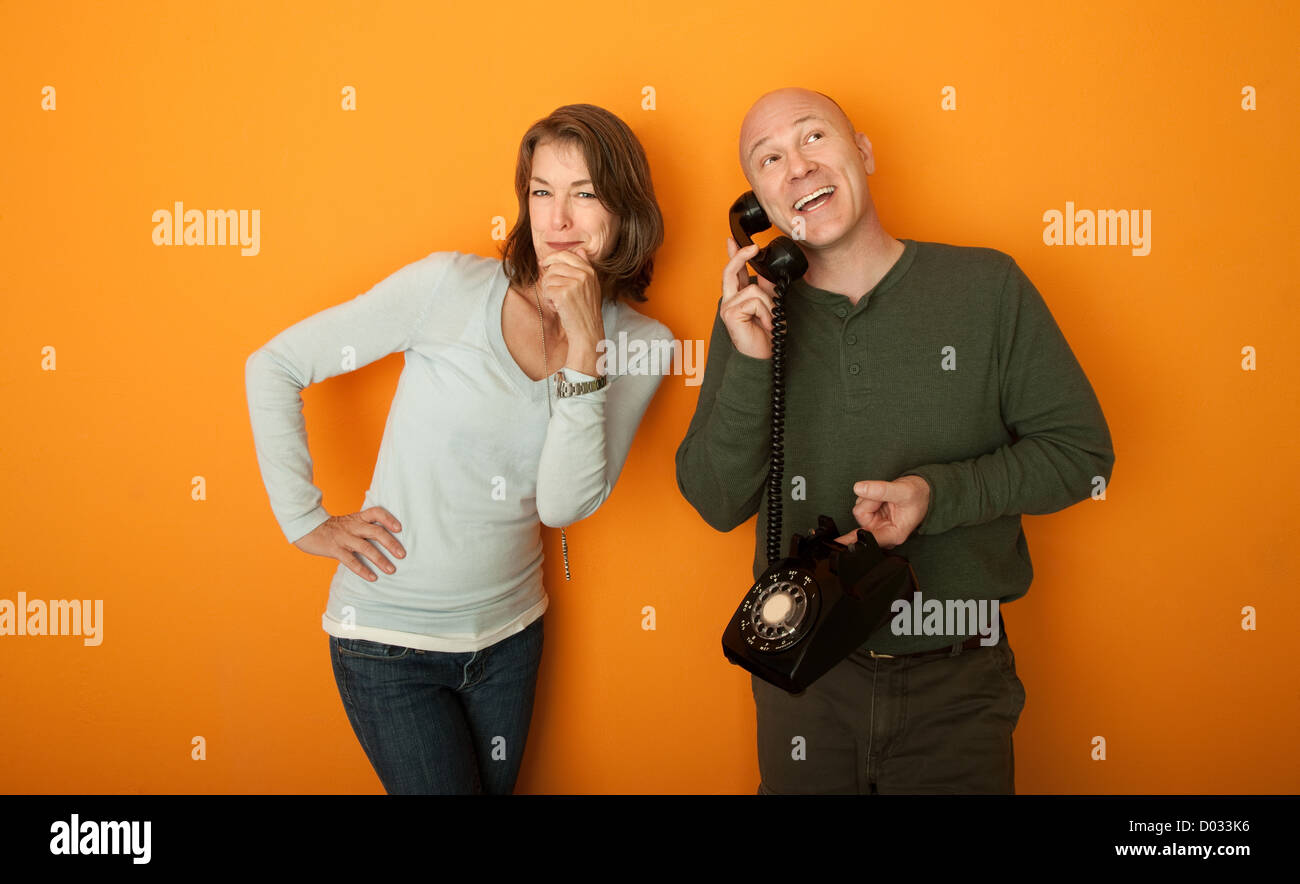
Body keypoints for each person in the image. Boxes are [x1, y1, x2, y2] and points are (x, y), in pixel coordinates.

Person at [675, 87, 1115, 794]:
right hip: (805, 684)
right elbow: (717, 502)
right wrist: (754, 361)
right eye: (770, 159)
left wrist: (935, 495)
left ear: (864, 152)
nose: (797, 168)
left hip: (958, 685)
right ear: (756, 207)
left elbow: (1082, 456)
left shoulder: (987, 287)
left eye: (814, 138)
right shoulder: (751, 318)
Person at [245, 103, 673, 794]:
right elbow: (274, 364)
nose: (557, 220)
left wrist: (587, 346)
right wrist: (305, 520)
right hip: (388, 643)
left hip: (511, 639)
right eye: (541, 191)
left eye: (585, 194)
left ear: (626, 209)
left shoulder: (644, 346)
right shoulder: (449, 287)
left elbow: (564, 503)